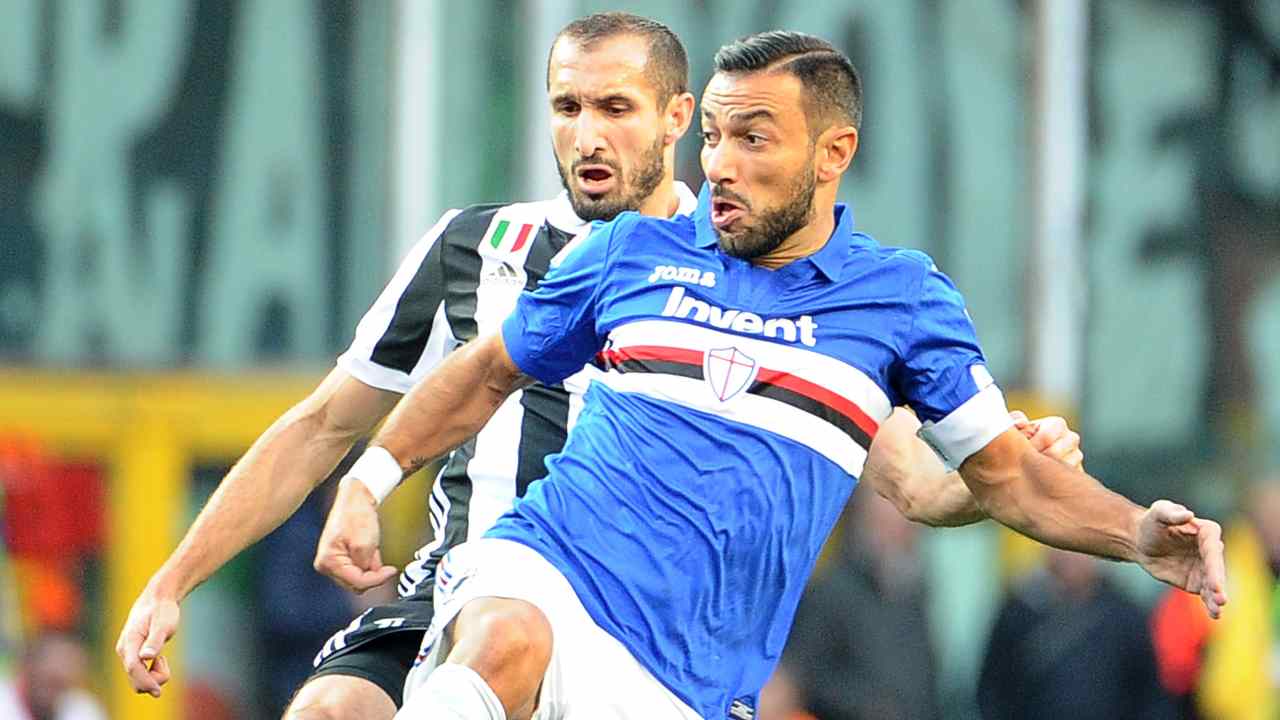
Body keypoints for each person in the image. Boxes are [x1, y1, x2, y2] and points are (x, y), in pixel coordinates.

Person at [115, 13, 1059, 720]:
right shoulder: (474, 248)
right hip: (465, 594)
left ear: (680, 119)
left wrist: (1005, 470)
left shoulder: (753, 271)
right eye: (567, 107)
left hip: (646, 646)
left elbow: (917, 486)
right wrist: (173, 579)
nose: (588, 134)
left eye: (617, 108)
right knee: (330, 710)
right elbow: (325, 423)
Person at [321, 30, 1228, 720]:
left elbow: (1004, 476)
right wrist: (369, 479)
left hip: (694, 674)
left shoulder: (901, 302)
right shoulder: (630, 253)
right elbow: (483, 373)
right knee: (498, 640)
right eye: (713, 136)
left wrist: (1136, 535)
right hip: (551, 569)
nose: (719, 165)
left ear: (832, 154)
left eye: (753, 139)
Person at [977, 547, 1175, 720]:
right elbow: (993, 688)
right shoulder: (1019, 611)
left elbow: (1150, 693)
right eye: (1062, 547)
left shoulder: (1124, 614)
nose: (1071, 557)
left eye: (1080, 549)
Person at [0, 631, 107, 720]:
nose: (52, 693)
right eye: (51, 681)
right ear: (28, 666)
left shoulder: (82, 709)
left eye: (62, 685)